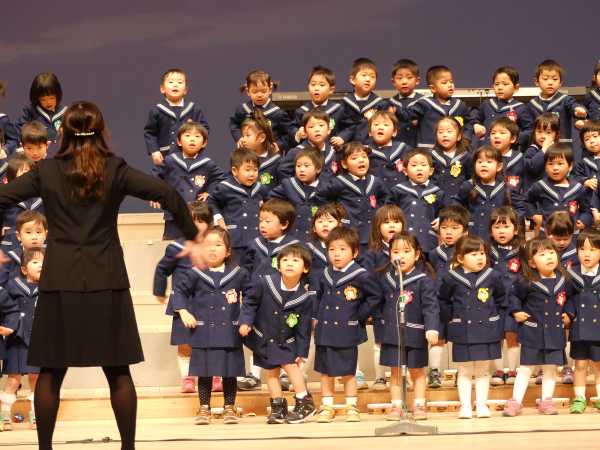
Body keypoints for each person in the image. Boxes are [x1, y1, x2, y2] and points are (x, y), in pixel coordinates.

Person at [0, 101, 201, 450]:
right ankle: (128, 448)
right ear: (101, 130)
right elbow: (167, 193)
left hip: (59, 279)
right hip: (106, 277)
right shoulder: (114, 168)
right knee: (118, 371)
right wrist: (192, 235)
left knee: (50, 372)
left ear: (63, 133)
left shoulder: (47, 171)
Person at [173, 227, 249, 425]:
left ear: (228, 251)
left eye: (218, 245)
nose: (212, 249)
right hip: (203, 331)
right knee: (204, 373)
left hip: (229, 331)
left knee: (229, 372)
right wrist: (183, 311)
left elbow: (251, 298)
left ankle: (229, 406)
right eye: (207, 245)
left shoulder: (239, 274)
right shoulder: (194, 273)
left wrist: (246, 319)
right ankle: (204, 407)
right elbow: (179, 292)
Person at [438, 235, 507, 419]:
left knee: (483, 370)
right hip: (462, 330)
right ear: (460, 258)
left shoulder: (493, 275)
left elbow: (501, 299)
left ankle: (482, 405)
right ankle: (466, 406)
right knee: (465, 370)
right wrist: (451, 319)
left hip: (487, 330)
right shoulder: (451, 277)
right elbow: (443, 300)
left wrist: (496, 320)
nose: (480, 258)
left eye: (482, 253)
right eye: (474, 254)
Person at [504, 238, 572, 417]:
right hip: (532, 332)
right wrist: (516, 311)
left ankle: (546, 401)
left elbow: (571, 300)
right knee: (526, 368)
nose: (549, 257)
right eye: (542, 254)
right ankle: (515, 402)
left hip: (555, 333)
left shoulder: (564, 279)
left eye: (551, 252)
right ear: (532, 263)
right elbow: (513, 297)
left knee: (550, 368)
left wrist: (569, 314)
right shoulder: (526, 281)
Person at [377, 232, 439, 421]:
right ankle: (397, 406)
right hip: (392, 334)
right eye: (396, 252)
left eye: (406, 251)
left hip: (415, 333)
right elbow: (378, 305)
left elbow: (430, 307)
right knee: (395, 372)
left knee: (417, 371)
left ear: (417, 254)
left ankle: (419, 404)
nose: (400, 256)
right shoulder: (385, 279)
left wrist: (431, 328)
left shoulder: (423, 280)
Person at [0, 248, 44, 431]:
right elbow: (5, 306)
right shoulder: (13, 285)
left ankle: (36, 414)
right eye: (35, 262)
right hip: (17, 338)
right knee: (13, 379)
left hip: (39, 339)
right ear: (24, 269)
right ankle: (4, 415)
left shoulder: (48, 288)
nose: (40, 265)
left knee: (36, 378)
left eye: (43, 262)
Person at [143, 68, 210, 165]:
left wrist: (195, 134)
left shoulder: (194, 109)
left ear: (185, 90)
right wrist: (154, 151)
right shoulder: (157, 110)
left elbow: (204, 130)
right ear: (162, 89)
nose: (175, 85)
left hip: (190, 156)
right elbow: (150, 133)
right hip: (165, 157)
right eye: (171, 82)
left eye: (180, 82)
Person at [15, 72, 66, 146]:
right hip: (36, 149)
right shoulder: (30, 111)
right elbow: (19, 129)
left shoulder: (65, 112)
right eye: (43, 99)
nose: (48, 102)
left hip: (59, 150)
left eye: (51, 98)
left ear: (57, 95)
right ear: (37, 98)